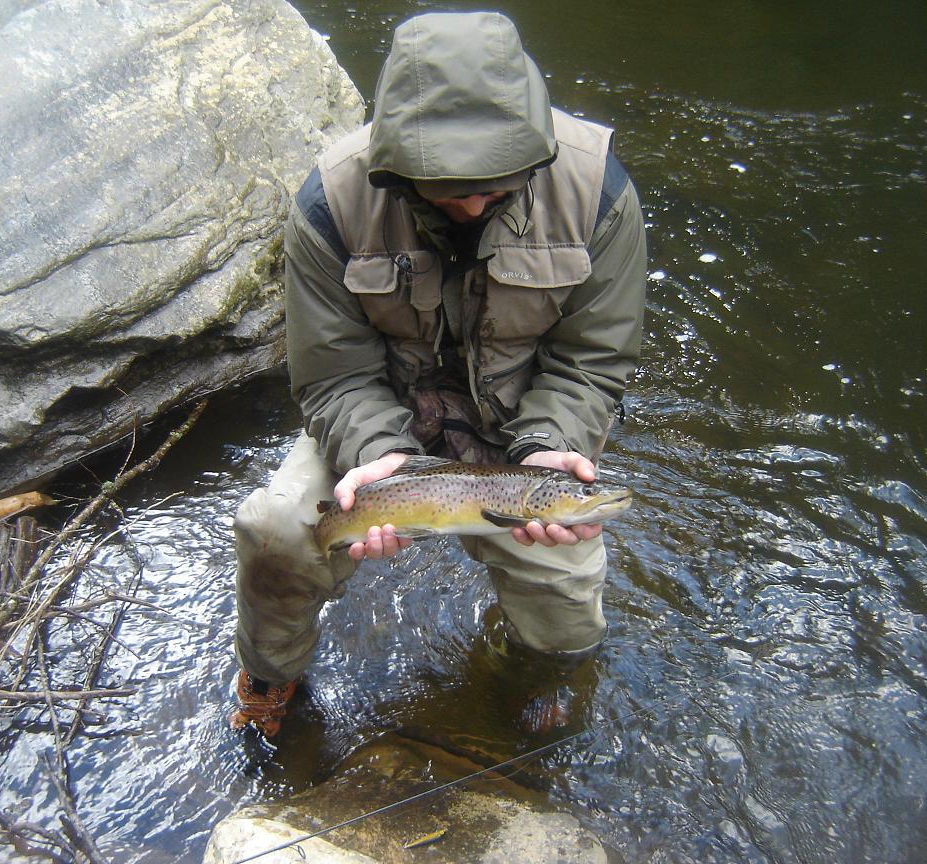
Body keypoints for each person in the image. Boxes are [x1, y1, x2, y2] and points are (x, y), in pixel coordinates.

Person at [229, 11, 646, 737]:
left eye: (497, 187)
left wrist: (548, 444)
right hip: (384, 423)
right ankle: (270, 676)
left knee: (568, 605)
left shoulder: (600, 194)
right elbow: (331, 377)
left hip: (520, 436)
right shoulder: (330, 205)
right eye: (449, 189)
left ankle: (532, 682)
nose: (475, 205)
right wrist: (376, 461)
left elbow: (593, 361)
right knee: (276, 532)